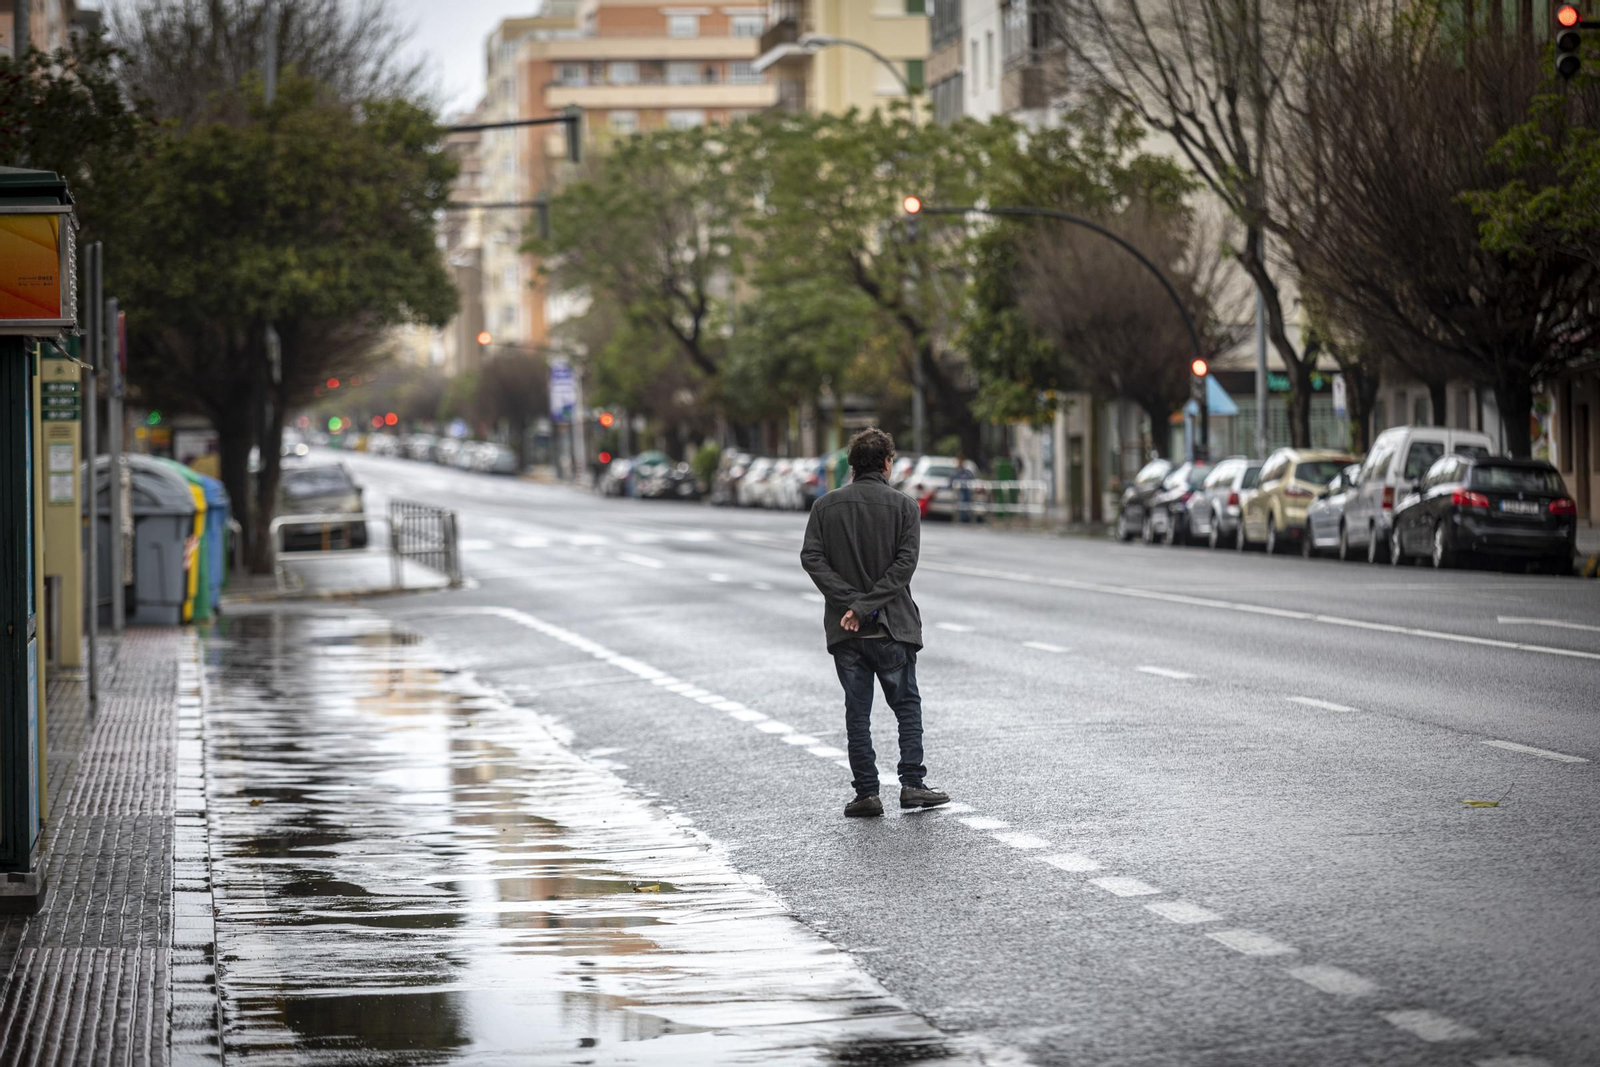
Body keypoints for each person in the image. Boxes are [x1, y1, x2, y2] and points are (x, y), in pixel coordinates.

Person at [800, 428, 950, 818]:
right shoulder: (904, 507)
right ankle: (913, 785)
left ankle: (866, 793)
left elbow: (812, 559)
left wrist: (851, 605)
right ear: (887, 463)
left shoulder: (824, 508)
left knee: (857, 712)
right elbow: (904, 566)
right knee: (906, 707)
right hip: (893, 628)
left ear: (851, 465)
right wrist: (867, 605)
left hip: (846, 631)